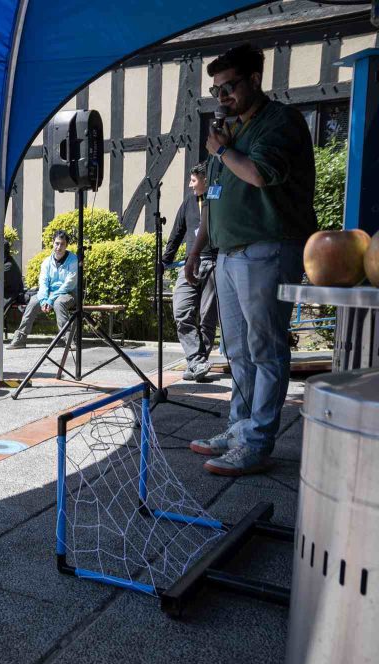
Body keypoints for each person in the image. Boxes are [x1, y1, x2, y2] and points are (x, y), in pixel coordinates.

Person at [185, 43, 316, 477]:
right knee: (236, 349)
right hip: (228, 253)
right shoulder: (231, 131)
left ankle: (257, 442)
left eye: (230, 87)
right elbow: (216, 197)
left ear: (256, 79)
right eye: (216, 89)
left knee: (266, 348)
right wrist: (200, 246)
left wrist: (221, 151)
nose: (221, 97)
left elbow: (259, 174)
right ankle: (240, 428)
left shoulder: (280, 122)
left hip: (269, 247)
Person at [163, 163, 218, 381]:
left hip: (214, 263)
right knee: (182, 311)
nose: (190, 184)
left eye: (194, 180)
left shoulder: (217, 199)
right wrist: (165, 260)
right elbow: (177, 232)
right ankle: (196, 361)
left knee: (207, 318)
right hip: (190, 264)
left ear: (205, 180)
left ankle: (196, 364)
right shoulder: (188, 202)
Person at [8, 230, 78, 348]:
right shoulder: (46, 262)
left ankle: (69, 340)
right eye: (56, 243)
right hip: (49, 293)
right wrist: (45, 299)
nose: (59, 247)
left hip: (68, 293)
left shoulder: (73, 260)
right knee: (34, 301)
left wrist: (51, 299)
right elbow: (43, 283)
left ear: (66, 245)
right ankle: (20, 339)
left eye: (62, 244)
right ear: (52, 243)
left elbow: (69, 284)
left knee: (59, 303)